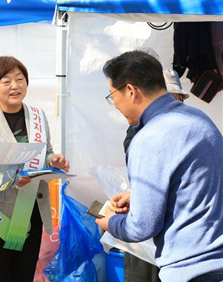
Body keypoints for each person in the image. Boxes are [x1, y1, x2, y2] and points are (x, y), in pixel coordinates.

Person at [96, 50, 223, 282]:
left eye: (112, 94)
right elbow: (196, 185)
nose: (114, 103)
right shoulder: (200, 119)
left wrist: (111, 223)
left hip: (191, 267)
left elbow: (141, 227)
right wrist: (140, 195)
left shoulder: (148, 138)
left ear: (131, 91)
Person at [0, 56, 70, 282]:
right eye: (6, 81)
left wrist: (54, 159)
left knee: (24, 275)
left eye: (20, 79)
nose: (15, 86)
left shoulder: (38, 116)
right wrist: (7, 178)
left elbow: (46, 151)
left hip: (31, 210)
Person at [121, 69, 189, 282]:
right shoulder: (140, 132)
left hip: (179, 238)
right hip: (146, 227)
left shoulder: (191, 126)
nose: (172, 104)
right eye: (167, 97)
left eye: (177, 99)